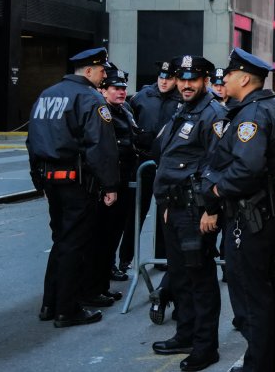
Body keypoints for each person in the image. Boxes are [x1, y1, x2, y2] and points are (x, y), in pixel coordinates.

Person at [202, 48, 275, 372]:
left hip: (252, 217)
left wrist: (214, 190)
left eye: (228, 74)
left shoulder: (252, 115)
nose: (224, 79)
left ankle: (258, 364)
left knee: (250, 295)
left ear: (244, 78)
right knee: (268, 291)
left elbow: (246, 169)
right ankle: (271, 361)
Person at [27, 47, 119, 328]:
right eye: (102, 70)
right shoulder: (90, 99)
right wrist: (110, 184)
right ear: (88, 71)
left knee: (61, 240)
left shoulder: (47, 94)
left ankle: (50, 304)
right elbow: (100, 146)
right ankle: (68, 309)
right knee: (76, 244)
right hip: (78, 182)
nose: (105, 75)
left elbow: (32, 140)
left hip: (51, 180)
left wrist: (37, 180)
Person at [151, 55, 226, 372]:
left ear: (206, 81)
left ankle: (206, 346)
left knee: (200, 279)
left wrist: (211, 210)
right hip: (175, 207)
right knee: (181, 277)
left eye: (192, 79)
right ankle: (185, 334)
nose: (185, 84)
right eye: (182, 78)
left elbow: (218, 166)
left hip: (197, 211)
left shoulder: (213, 114)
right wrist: (167, 205)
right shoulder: (183, 110)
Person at [126, 59, 182, 324]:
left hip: (165, 166)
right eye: (161, 76)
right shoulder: (142, 97)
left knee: (164, 215)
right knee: (135, 213)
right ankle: (125, 258)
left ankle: (162, 258)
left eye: (169, 78)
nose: (164, 81)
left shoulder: (179, 101)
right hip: (143, 164)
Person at [84, 65, 137, 306]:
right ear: (103, 91)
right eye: (116, 88)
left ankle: (102, 285)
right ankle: (94, 287)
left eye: (124, 88)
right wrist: (108, 186)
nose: (121, 92)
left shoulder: (123, 109)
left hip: (124, 180)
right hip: (109, 183)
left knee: (113, 235)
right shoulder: (103, 111)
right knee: (102, 239)